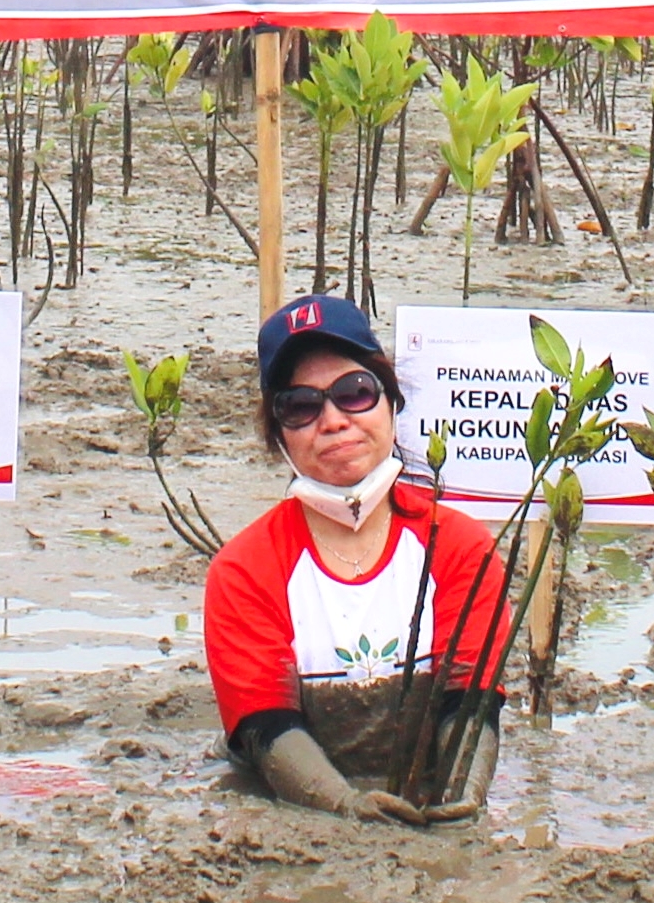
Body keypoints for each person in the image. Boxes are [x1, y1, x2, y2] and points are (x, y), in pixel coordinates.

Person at [198, 293, 510, 824]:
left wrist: (463, 798)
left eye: (355, 393)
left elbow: (470, 698)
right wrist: (346, 808)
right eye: (301, 406)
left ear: (392, 402)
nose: (334, 420)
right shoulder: (243, 570)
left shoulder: (460, 546)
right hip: (299, 803)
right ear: (278, 435)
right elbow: (266, 725)